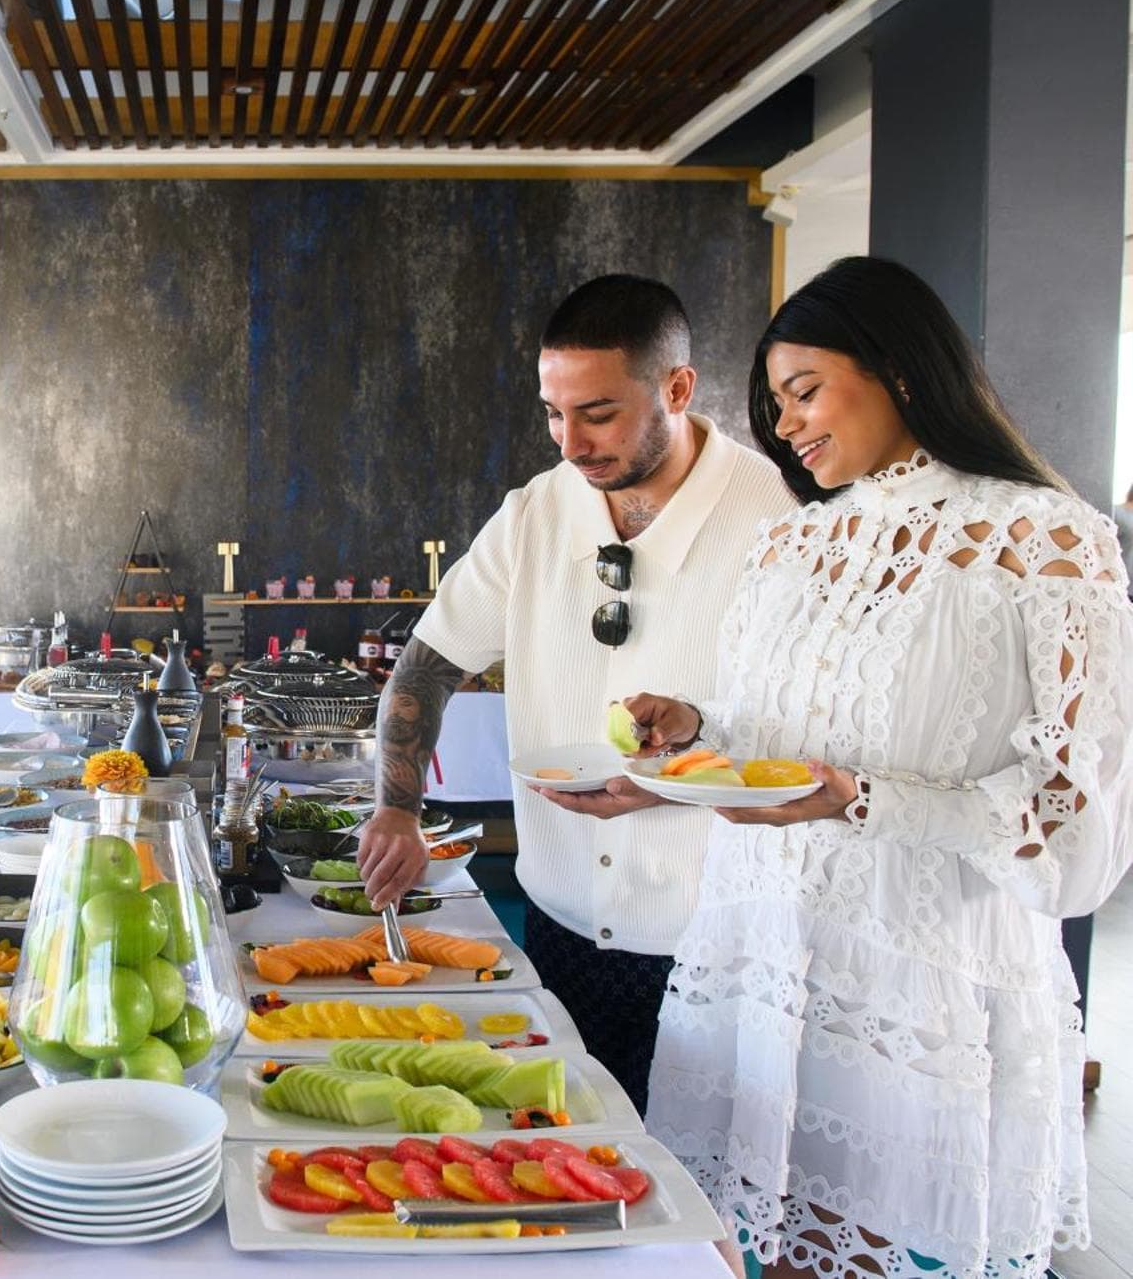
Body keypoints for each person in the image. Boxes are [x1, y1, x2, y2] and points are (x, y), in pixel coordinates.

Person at [622, 256, 1133, 1278]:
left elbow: (1078, 828)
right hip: (764, 958)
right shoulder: (789, 544)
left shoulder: (1047, 538)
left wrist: (867, 803)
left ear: (897, 367)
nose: (785, 424)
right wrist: (697, 722)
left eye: (803, 390)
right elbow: (785, 730)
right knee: (749, 1254)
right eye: (774, 403)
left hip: (917, 985)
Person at [356, 274, 791, 1109]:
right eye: (554, 413)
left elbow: (817, 733)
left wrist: (686, 771)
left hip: (716, 945)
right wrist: (396, 809)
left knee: (693, 1176)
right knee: (555, 1149)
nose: (570, 443)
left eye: (597, 413)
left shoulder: (778, 515)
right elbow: (426, 665)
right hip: (557, 928)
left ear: (677, 388)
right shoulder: (535, 513)